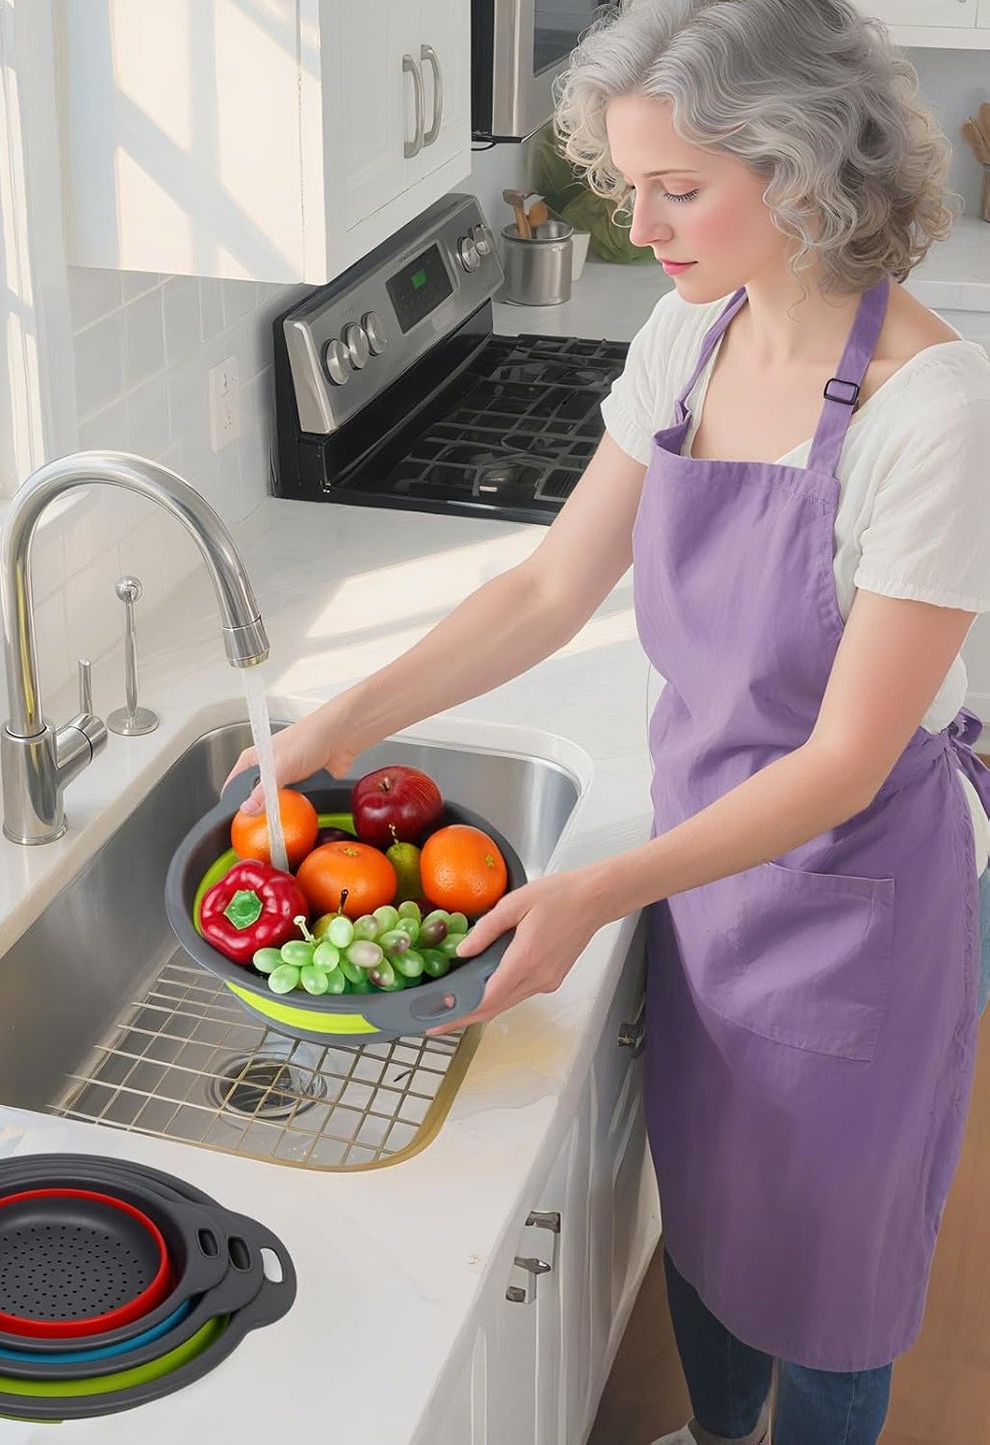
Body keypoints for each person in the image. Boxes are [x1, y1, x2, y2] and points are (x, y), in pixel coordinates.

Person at [226, 2, 990, 1440]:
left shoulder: (929, 408)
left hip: (857, 900)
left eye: (677, 189)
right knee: (705, 1218)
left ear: (805, 165)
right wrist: (341, 719)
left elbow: (843, 761)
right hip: (700, 868)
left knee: (828, 1280)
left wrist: (590, 888)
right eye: (624, 182)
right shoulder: (689, 333)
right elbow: (546, 585)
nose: (638, 224)